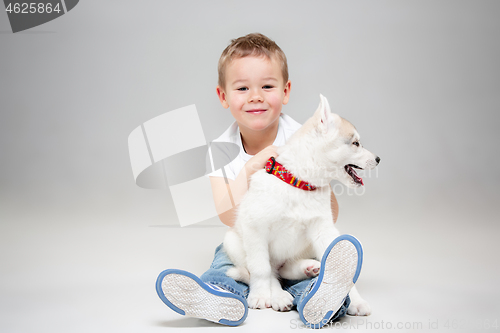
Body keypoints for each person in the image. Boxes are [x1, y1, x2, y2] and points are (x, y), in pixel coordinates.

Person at [155, 33, 362, 329]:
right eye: (242, 88)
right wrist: (249, 169)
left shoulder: (302, 139)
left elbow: (330, 216)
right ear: (223, 96)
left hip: (297, 245)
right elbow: (228, 217)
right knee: (225, 258)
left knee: (310, 271)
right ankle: (215, 295)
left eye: (267, 86)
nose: (256, 96)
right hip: (252, 244)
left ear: (286, 91)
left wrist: (317, 173)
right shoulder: (219, 150)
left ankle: (323, 301)